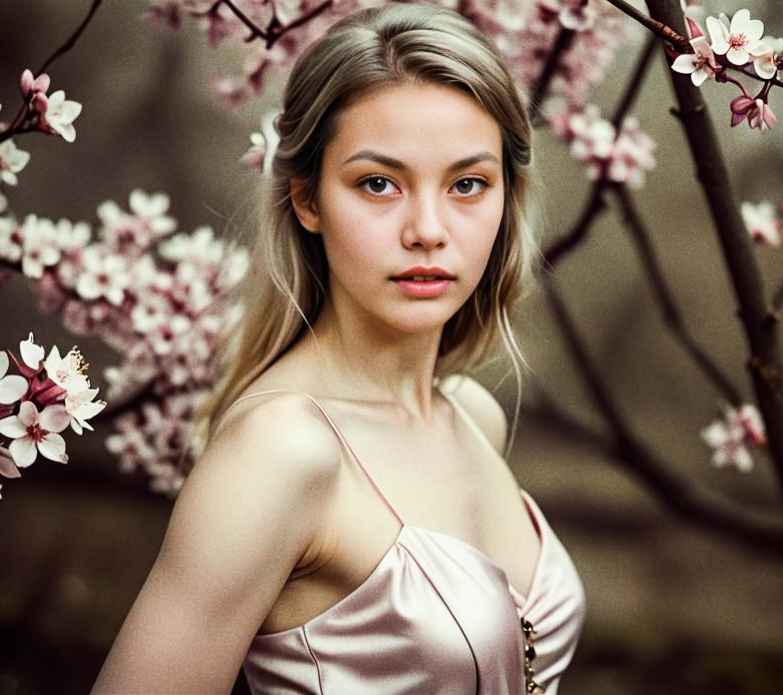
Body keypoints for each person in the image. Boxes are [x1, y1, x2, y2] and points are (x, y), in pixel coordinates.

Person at [93, 4, 586, 693]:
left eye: (467, 183)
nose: (427, 229)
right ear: (307, 198)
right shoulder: (281, 450)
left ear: (507, 196)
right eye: (378, 183)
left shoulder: (473, 414)